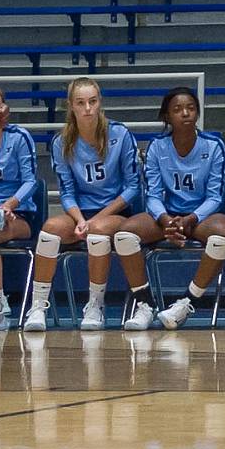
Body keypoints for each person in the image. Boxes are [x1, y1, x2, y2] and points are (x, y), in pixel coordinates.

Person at [23, 78, 140, 333]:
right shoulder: (61, 142)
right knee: (50, 228)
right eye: (81, 103)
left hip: (115, 211)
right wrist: (78, 219)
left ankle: (95, 305)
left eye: (92, 101)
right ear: (71, 106)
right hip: (80, 213)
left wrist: (96, 219)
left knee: (97, 231)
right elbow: (67, 192)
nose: (88, 108)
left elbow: (132, 188)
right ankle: (38, 306)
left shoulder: (120, 134)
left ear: (100, 103)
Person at [114, 87, 225, 331]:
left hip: (200, 217)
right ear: (167, 116)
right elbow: (153, 195)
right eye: (177, 109)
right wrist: (165, 219)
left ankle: (186, 303)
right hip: (167, 217)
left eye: (190, 108)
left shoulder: (213, 146)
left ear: (198, 113)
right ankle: (145, 305)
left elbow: (215, 196)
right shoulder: (157, 147)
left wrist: (191, 218)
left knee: (223, 232)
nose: (185, 113)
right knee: (124, 234)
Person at [0, 85, 37, 332]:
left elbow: (31, 180)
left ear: (4, 108)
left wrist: (10, 204)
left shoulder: (18, 137)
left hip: (17, 215)